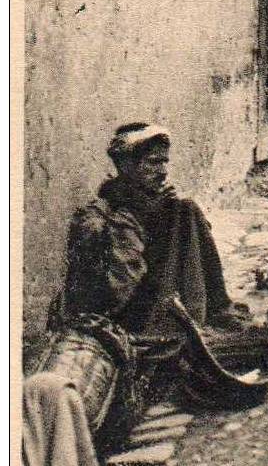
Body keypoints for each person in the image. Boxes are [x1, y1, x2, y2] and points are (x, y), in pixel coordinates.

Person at [55, 123, 241, 338]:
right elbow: (119, 286)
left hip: (162, 302)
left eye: (164, 162)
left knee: (187, 209)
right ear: (126, 166)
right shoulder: (105, 214)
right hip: (131, 316)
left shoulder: (167, 206)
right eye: (153, 163)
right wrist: (146, 216)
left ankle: (209, 311)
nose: (163, 172)